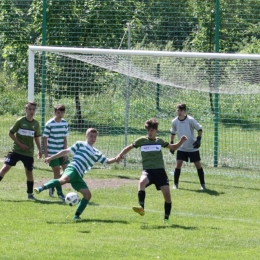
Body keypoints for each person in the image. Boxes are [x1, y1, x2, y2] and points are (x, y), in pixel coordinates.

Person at [34, 128, 120, 220]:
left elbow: (106, 161)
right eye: (91, 136)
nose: (93, 138)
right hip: (73, 168)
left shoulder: (96, 153)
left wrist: (116, 159)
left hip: (79, 175)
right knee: (63, 180)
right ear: (86, 136)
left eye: (95, 137)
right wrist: (51, 157)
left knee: (87, 195)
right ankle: (41, 188)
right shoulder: (80, 144)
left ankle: (76, 216)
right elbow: (65, 151)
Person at [116, 118, 187, 224]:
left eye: (152, 130)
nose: (150, 132)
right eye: (148, 130)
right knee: (141, 182)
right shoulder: (141, 141)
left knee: (167, 195)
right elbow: (129, 147)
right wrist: (120, 155)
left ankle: (166, 219)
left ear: (156, 131)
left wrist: (181, 141)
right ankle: (141, 208)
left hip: (160, 172)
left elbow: (174, 147)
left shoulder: (159, 141)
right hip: (148, 171)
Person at [0, 101, 42, 200]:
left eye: (33, 109)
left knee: (29, 172)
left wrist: (40, 150)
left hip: (28, 153)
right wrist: (20, 144)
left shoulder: (36, 124)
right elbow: (11, 133)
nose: (32, 111)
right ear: (25, 110)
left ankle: (30, 194)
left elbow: (36, 137)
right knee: (5, 168)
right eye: (29, 109)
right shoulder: (20, 121)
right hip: (16, 150)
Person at [170, 103, 206, 190]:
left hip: (192, 148)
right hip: (182, 147)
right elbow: (173, 132)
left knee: (198, 165)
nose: (179, 112)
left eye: (181, 110)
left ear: (184, 111)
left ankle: (203, 185)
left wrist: (198, 139)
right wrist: (171, 143)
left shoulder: (190, 120)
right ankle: (175, 184)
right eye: (178, 110)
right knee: (178, 164)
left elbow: (199, 129)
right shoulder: (174, 121)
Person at [43, 104, 69, 200]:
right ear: (54, 112)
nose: (60, 114)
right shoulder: (49, 123)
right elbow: (45, 139)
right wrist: (46, 154)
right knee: (57, 172)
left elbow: (65, 138)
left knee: (67, 172)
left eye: (62, 112)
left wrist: (65, 152)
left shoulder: (65, 123)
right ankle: (60, 194)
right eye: (58, 112)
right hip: (52, 153)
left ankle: (52, 184)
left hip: (62, 152)